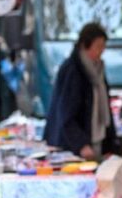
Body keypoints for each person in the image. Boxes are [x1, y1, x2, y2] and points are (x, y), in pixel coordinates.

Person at [43, 23, 115, 159]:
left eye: (103, 46)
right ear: (85, 45)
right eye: (98, 46)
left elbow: (105, 108)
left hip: (95, 138)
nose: (102, 51)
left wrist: (109, 144)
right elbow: (66, 113)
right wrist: (81, 144)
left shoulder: (98, 70)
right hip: (71, 146)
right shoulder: (73, 70)